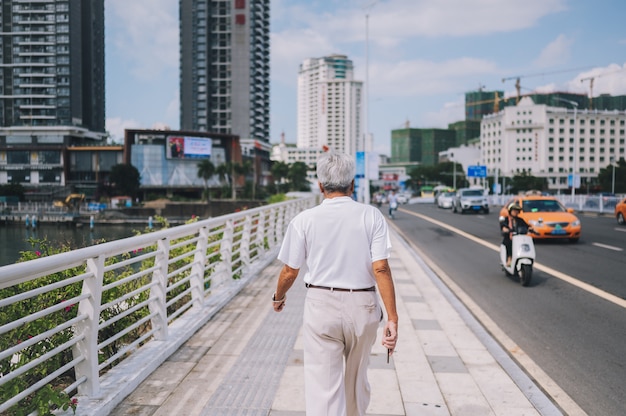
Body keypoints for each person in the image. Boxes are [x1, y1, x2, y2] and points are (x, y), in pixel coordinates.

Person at [272, 151, 398, 416]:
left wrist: (278, 297)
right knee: (356, 384)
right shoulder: (371, 216)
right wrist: (393, 318)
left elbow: (289, 271)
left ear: (320, 186)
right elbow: (381, 268)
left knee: (323, 391)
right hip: (363, 306)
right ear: (352, 184)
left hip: (321, 306)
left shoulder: (304, 220)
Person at [500, 203, 531, 267]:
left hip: (519, 238)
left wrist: (532, 229)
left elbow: (527, 226)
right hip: (509, 238)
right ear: (510, 211)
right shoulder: (506, 219)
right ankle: (509, 258)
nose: (516, 212)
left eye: (517, 211)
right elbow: (503, 227)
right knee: (509, 243)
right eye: (514, 210)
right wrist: (506, 230)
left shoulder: (520, 220)